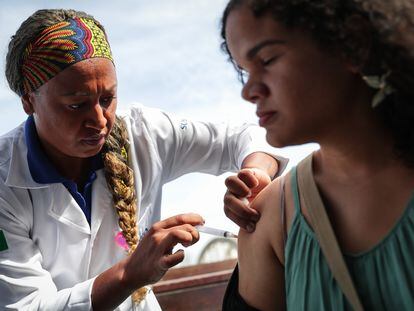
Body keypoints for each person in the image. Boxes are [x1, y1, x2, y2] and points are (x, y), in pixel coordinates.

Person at [0, 9, 287, 311]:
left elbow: (244, 138)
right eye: (76, 105)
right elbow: (28, 306)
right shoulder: (5, 181)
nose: (99, 120)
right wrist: (129, 274)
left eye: (107, 99)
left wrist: (254, 174)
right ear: (29, 101)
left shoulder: (143, 134)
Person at [220, 0, 414, 310]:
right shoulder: (269, 219)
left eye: (267, 59)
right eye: (244, 72)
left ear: (352, 44)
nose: (249, 90)